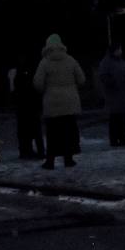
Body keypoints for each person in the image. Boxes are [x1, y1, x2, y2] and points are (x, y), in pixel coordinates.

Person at [34, 33, 84, 170]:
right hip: (70, 102)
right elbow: (81, 79)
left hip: (52, 103)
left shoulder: (44, 62)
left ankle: (50, 160)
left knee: (53, 133)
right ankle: (68, 159)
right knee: (68, 131)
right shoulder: (70, 60)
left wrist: (46, 90)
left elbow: (38, 83)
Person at [97, 44, 125, 147]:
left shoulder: (120, 61)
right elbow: (103, 76)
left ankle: (123, 138)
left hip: (122, 92)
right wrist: (112, 83)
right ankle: (114, 139)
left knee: (121, 118)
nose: (120, 51)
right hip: (113, 93)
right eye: (119, 50)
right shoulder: (106, 62)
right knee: (114, 118)